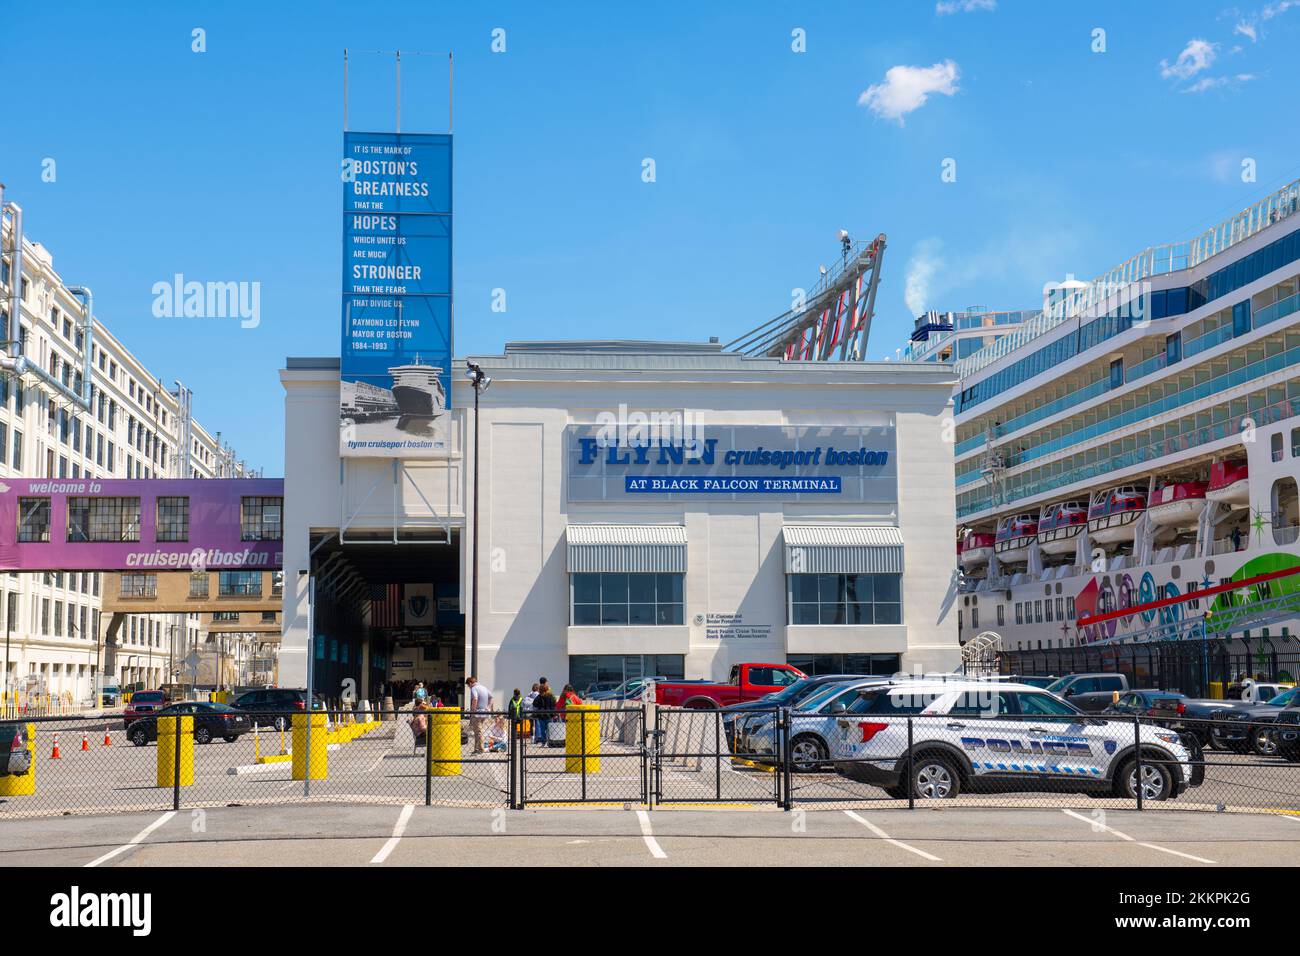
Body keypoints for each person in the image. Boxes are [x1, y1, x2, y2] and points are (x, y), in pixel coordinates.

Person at [465, 676, 492, 754]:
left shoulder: (474, 688)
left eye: (468, 685)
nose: (468, 687)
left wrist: (473, 710)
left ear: (470, 683)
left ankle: (480, 748)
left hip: (477, 713)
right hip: (484, 712)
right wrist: (488, 707)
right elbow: (491, 697)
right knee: (478, 730)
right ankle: (477, 748)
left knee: (478, 731)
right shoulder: (484, 687)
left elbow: (475, 698)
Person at [532, 681, 556, 747]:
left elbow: (534, 704)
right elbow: (554, 704)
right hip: (549, 715)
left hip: (541, 715)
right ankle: (550, 741)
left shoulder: (539, 697)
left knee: (542, 729)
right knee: (549, 729)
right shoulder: (551, 696)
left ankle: (543, 742)